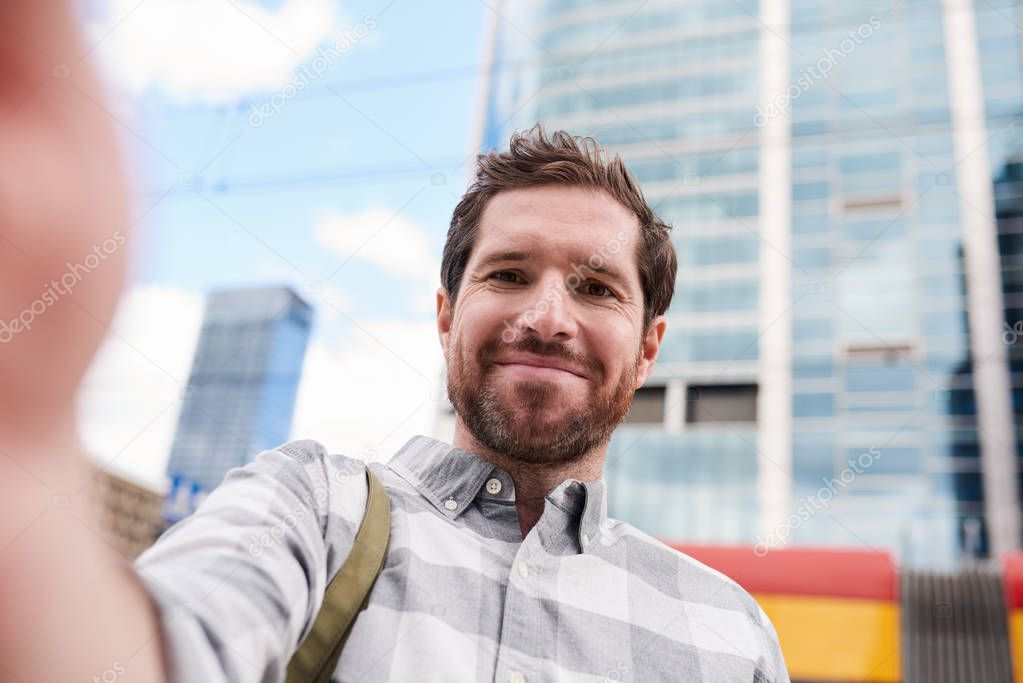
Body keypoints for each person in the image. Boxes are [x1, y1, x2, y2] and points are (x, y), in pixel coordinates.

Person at [0, 4, 788, 681]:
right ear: (446, 315)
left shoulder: (729, 634)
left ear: (648, 347)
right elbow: (165, 647)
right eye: (509, 273)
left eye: (596, 287)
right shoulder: (310, 509)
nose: (548, 317)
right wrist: (23, 447)